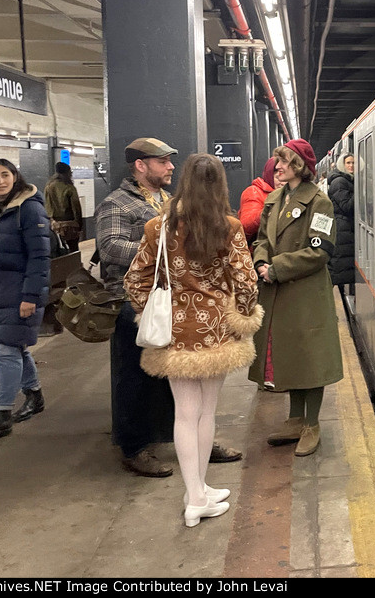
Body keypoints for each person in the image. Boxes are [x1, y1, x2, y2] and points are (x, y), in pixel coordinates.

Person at [124, 153, 263, 527]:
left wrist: (149, 310)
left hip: (174, 331)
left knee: (184, 412)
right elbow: (247, 282)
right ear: (220, 184)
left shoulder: (158, 226)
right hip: (217, 329)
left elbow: (134, 281)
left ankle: (196, 491)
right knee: (206, 411)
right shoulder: (229, 227)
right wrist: (244, 313)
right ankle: (198, 495)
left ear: (183, 181)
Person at [96, 138, 242, 477]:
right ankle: (134, 448)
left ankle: (193, 442)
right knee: (133, 381)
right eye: (162, 161)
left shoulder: (164, 199)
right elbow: (111, 248)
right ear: (141, 165)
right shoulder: (117, 204)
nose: (170, 167)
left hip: (176, 306)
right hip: (136, 305)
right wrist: (163, 247)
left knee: (177, 384)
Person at [251, 139, 343, 457]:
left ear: (299, 167)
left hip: (304, 293)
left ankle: (312, 423)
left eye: (285, 162)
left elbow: (320, 251)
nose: (277, 167)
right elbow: (262, 237)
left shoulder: (320, 202)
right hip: (278, 290)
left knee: (310, 356)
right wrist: (261, 261)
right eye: (278, 162)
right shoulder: (275, 198)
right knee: (291, 353)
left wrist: (275, 268)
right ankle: (295, 419)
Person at [0, 158, 50, 439]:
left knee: (6, 350)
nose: (0, 181)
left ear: (16, 177)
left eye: (5, 175)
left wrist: (30, 296)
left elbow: (40, 257)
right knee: (14, 347)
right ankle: (34, 395)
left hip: (20, 293)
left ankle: (2, 414)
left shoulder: (29, 209)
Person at [326, 153, 355, 292]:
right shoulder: (339, 182)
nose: (351, 166)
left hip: (344, 228)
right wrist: (361, 190)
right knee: (340, 265)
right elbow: (347, 206)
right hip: (342, 229)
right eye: (348, 163)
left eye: (354, 163)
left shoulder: (346, 180)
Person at [44, 162, 83, 254]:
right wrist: (80, 225)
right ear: (67, 172)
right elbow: (76, 208)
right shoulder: (69, 187)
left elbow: (47, 206)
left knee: (58, 251)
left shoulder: (49, 186)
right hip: (70, 225)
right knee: (73, 251)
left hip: (54, 225)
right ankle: (73, 267)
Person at [238, 157, 277, 243]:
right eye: (277, 176)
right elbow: (245, 225)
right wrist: (268, 211)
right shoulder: (254, 192)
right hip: (258, 250)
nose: (283, 181)